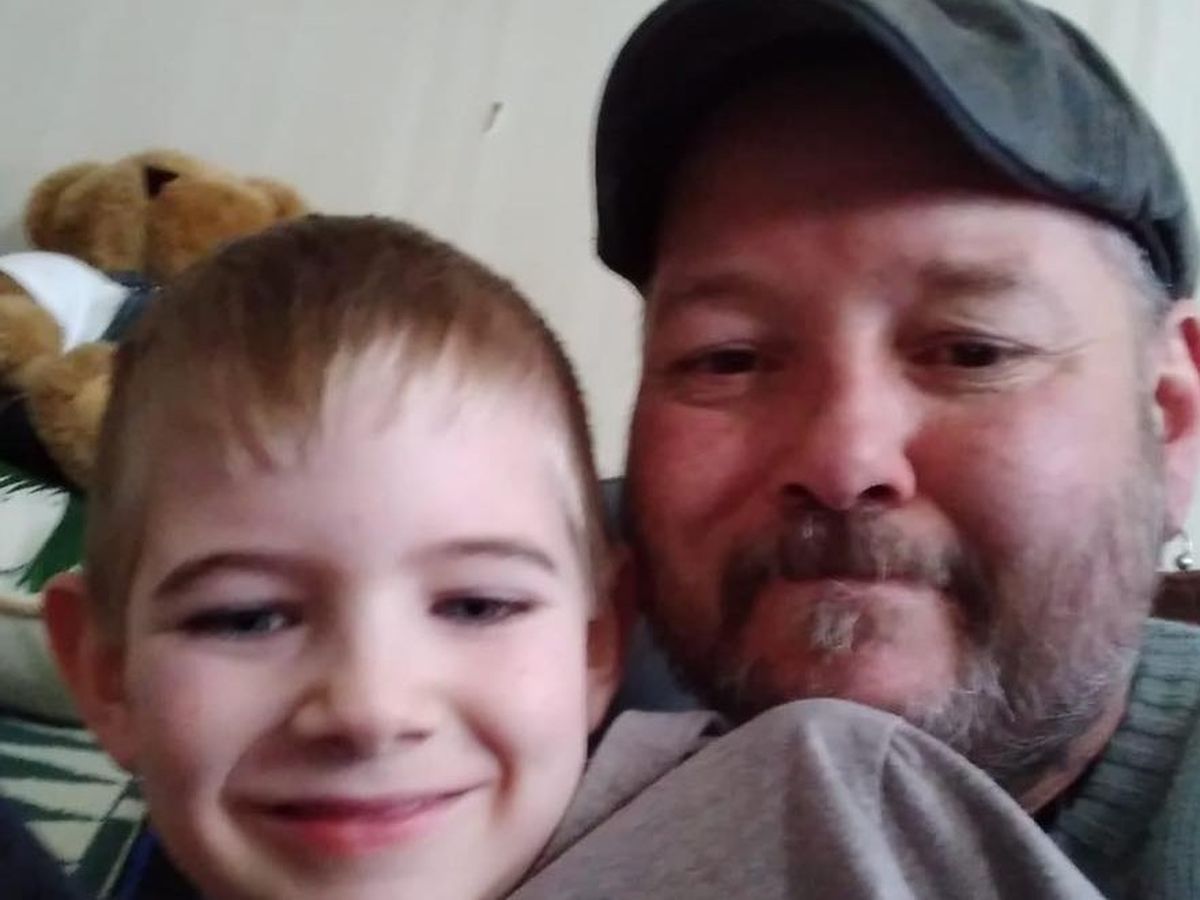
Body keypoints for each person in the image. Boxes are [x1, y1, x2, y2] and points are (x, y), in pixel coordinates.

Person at [36, 214, 1105, 899]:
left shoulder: (821, 812)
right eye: (245, 617)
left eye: (476, 605)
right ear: (104, 673)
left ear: (599, 641)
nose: (369, 708)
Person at [594, 0, 1200, 896]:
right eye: (728, 359)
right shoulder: (493, 772)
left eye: (974, 352)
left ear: (1170, 418)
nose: (843, 465)